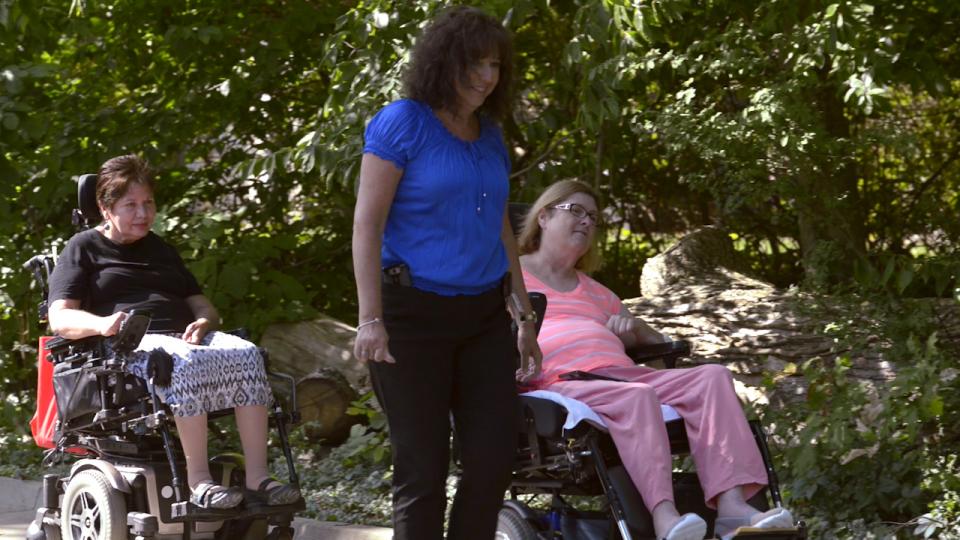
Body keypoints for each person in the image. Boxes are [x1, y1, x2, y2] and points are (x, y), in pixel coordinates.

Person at [351, 6, 542, 540]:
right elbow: (367, 226)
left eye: (495, 66)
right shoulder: (402, 122)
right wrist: (371, 319)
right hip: (411, 319)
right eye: (475, 63)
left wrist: (523, 314)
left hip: (483, 318)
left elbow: (500, 224)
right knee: (423, 470)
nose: (487, 77)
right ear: (444, 61)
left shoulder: (489, 134)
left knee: (491, 462)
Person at [517, 179, 795, 540]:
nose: (587, 221)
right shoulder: (512, 277)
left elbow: (656, 339)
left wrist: (630, 330)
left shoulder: (596, 291)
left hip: (622, 374)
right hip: (564, 381)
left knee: (711, 377)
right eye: (576, 211)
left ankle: (732, 507)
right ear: (544, 216)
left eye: (593, 217)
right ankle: (665, 517)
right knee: (637, 397)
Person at [47, 155, 301, 510]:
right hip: (128, 345)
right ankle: (199, 482)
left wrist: (204, 321)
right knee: (180, 361)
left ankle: (259, 477)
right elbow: (59, 319)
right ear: (106, 208)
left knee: (247, 353)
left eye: (148, 203)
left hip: (186, 336)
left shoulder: (162, 249)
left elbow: (202, 304)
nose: (143, 213)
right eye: (130, 205)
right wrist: (103, 324)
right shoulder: (83, 247)